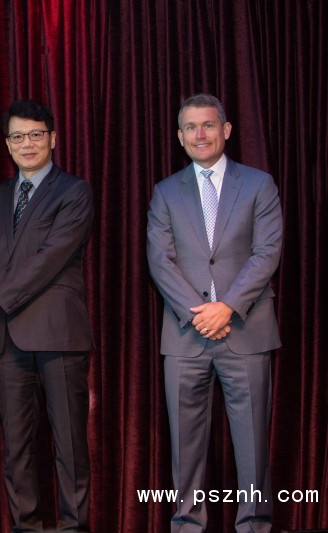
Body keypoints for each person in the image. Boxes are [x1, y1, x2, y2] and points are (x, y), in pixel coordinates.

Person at [0, 100, 94, 531]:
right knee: (16, 447)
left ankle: (74, 528)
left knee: (69, 446)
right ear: (7, 145)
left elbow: (49, 259)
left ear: (53, 138)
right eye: (17, 136)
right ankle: (24, 527)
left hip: (58, 333)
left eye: (35, 134)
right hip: (8, 336)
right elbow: (3, 263)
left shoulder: (74, 191)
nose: (27, 143)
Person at [146, 93, 283, 532]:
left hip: (246, 329)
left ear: (225, 130)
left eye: (208, 125)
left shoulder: (259, 184)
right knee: (184, 449)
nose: (199, 134)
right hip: (185, 336)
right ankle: (187, 525)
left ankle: (254, 524)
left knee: (253, 446)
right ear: (179, 136)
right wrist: (200, 314)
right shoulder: (165, 192)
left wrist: (226, 307)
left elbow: (266, 252)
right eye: (190, 127)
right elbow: (160, 260)